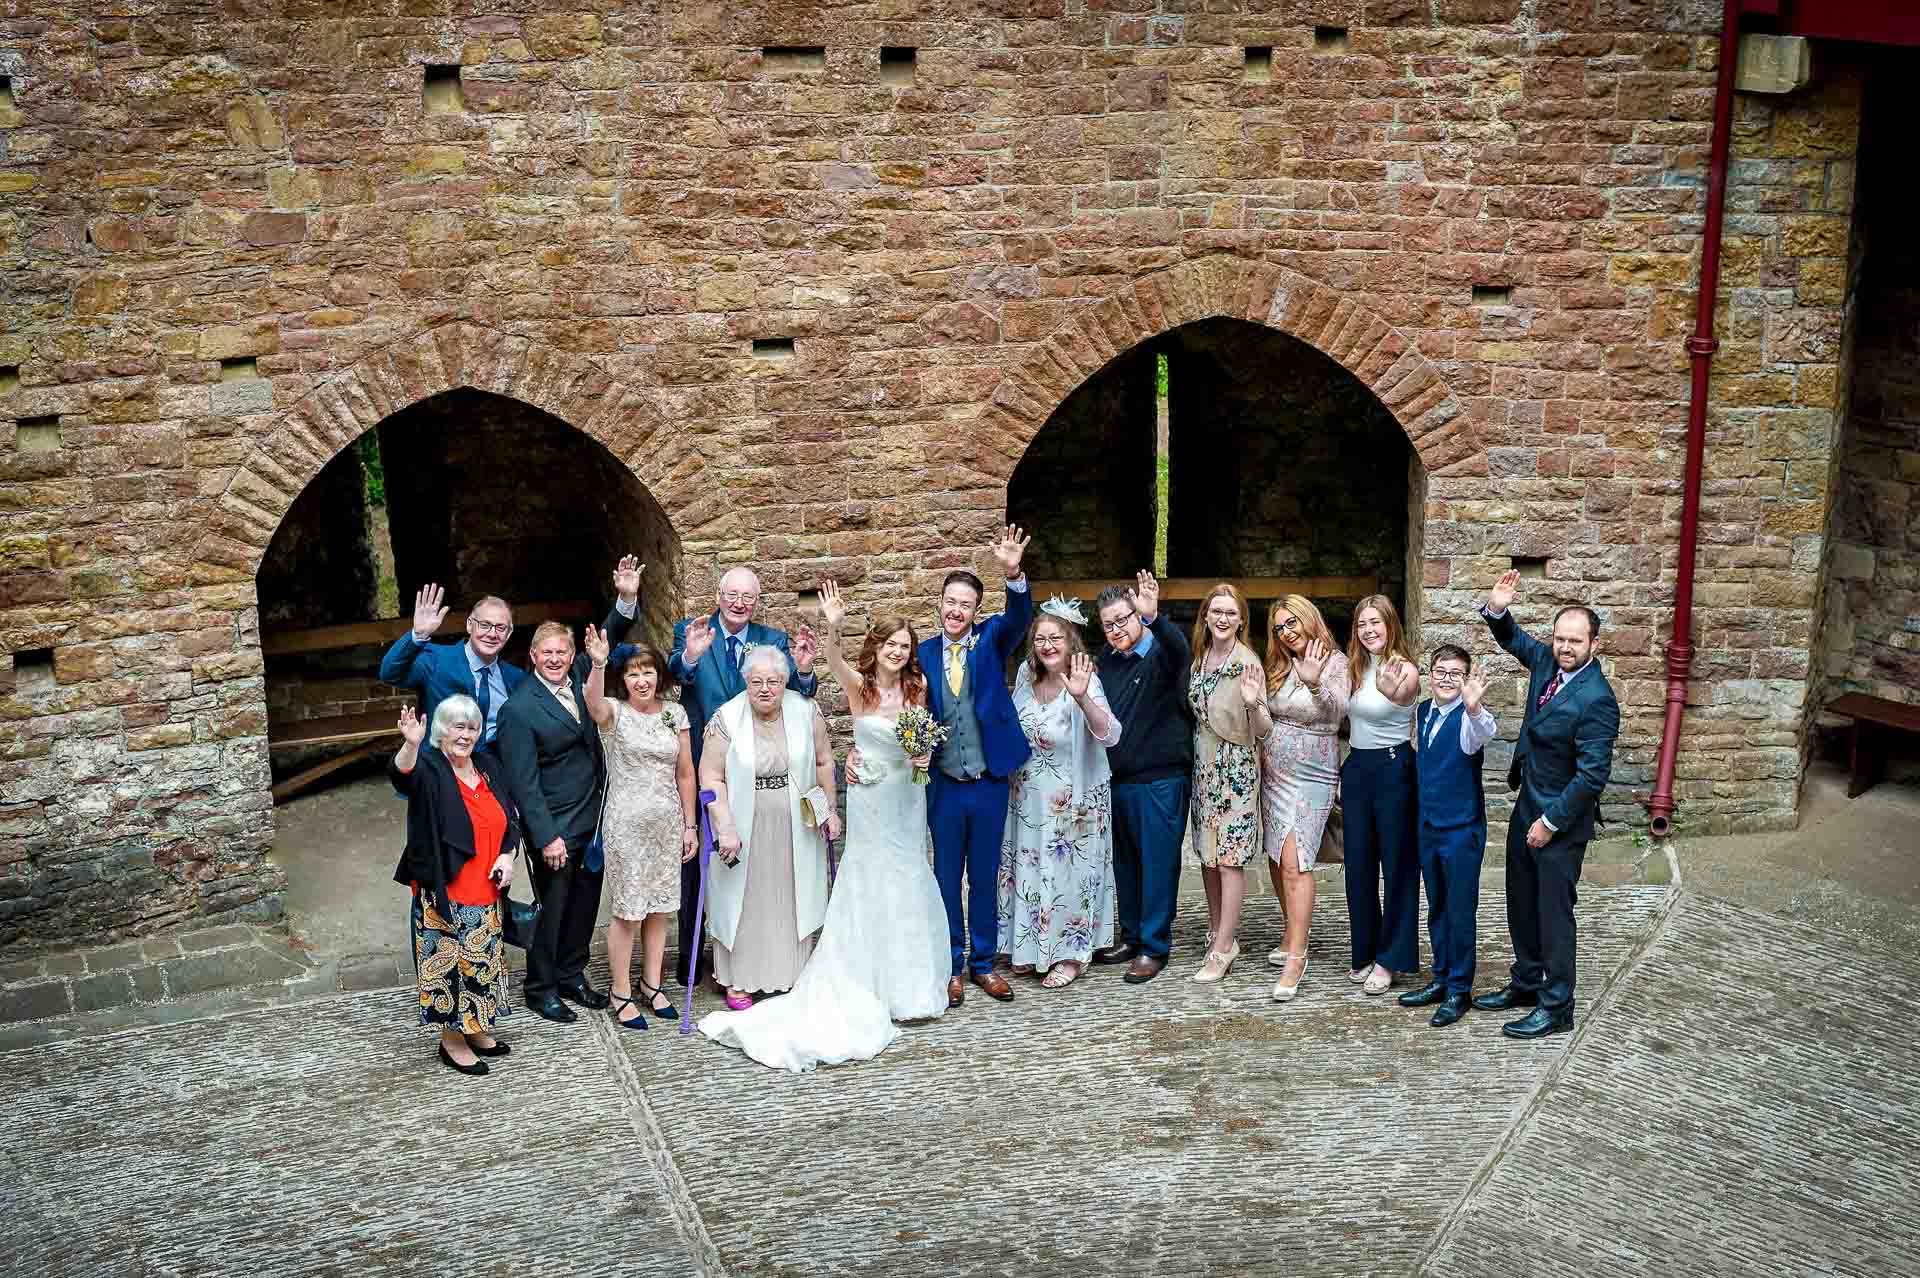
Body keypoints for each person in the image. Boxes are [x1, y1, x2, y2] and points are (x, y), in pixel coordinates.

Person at [700, 585, 949, 1071]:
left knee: (910, 875)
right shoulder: (861, 686)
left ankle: (911, 981)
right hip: (873, 798)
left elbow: (923, 738)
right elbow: (830, 658)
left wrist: (925, 756)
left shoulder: (917, 688)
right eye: (890, 644)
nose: (898, 652)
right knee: (869, 876)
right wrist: (833, 625)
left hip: (907, 795)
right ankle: (865, 977)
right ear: (876, 647)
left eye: (905, 645)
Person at [1471, 570, 1620, 1039]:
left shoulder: (1598, 699)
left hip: (1559, 820)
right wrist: (1497, 607)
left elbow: (1591, 776)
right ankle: (1526, 982)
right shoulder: (1545, 664)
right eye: (1559, 638)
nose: (1565, 647)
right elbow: (1511, 637)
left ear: (1593, 644)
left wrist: (1551, 822)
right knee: (1520, 902)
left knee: (1554, 913)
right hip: (1526, 804)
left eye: (1575, 641)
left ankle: (1557, 1006)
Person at [667, 566, 819, 987]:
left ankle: (757, 952)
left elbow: (797, 692)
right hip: (708, 762)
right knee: (698, 861)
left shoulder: (772, 639)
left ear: (757, 600)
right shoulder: (691, 630)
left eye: (747, 596)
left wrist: (805, 671)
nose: (738, 603)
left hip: (760, 764)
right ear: (718, 594)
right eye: (731, 594)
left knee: (757, 869)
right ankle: (692, 952)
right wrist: (692, 656)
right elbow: (677, 675)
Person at [497, 615, 634, 1025]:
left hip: (591, 820)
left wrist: (625, 603)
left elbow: (607, 637)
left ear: (571, 656)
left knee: (584, 904)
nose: (555, 659)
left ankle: (571, 973)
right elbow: (523, 783)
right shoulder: (518, 709)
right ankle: (540, 988)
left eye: (563, 652)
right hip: (555, 826)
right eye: (548, 653)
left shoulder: (579, 679)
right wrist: (545, 836)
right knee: (553, 908)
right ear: (534, 656)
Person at [917, 525, 1034, 1008]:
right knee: (947, 875)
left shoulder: (991, 639)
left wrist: (1013, 573)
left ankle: (983, 964)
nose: (955, 610)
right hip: (943, 784)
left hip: (987, 781)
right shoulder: (921, 652)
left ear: (975, 610)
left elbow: (1019, 616)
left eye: (965, 604)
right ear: (940, 603)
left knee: (984, 875)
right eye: (950, 601)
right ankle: (951, 965)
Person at [697, 646, 840, 1009]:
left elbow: (824, 763)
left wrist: (831, 810)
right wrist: (724, 824)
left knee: (791, 897)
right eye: (757, 681)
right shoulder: (726, 718)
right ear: (745, 681)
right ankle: (740, 980)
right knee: (746, 900)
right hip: (743, 823)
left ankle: (792, 974)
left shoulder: (806, 711)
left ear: (785, 681)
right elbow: (710, 776)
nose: (765, 689)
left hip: (797, 823)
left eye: (773, 681)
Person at [378, 556, 643, 747]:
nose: (492, 633)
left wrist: (626, 602)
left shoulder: (515, 679)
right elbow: (390, 672)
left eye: (500, 628)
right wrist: (419, 635)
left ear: (509, 633)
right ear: (469, 624)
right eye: (484, 625)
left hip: (497, 769)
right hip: (443, 771)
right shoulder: (436, 659)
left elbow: (588, 655)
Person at [388, 696, 519, 1077]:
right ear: (441, 731)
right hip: (447, 890)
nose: (465, 735)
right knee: (450, 967)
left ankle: (475, 1028)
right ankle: (452, 1041)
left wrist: (507, 855)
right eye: (457, 727)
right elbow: (401, 777)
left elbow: (510, 818)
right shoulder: (430, 767)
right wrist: (411, 743)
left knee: (483, 963)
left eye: (472, 727)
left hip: (487, 889)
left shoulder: (488, 765)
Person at [997, 597, 1121, 990]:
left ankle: (1070, 954)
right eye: (1039, 639)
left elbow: (1111, 735)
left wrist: (1083, 698)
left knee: (1069, 875)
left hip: (1073, 798)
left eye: (1055, 638)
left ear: (1070, 642)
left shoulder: (1085, 680)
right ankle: (1031, 947)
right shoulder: (1024, 677)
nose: (1047, 645)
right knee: (1032, 873)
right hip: (1028, 798)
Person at [581, 630, 697, 1031]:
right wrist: (598, 662)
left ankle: (651, 983)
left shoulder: (675, 714)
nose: (641, 681)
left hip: (666, 824)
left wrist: (690, 825)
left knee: (662, 907)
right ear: (624, 680)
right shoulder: (614, 712)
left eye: (648, 672)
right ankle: (620, 991)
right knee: (629, 910)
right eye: (633, 674)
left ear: (659, 676)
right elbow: (592, 703)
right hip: (626, 825)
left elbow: (685, 773)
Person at [1091, 570, 1193, 986]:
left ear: (1137, 615)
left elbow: (1180, 650)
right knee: (1127, 864)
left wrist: (1156, 618)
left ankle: (1154, 946)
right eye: (1109, 623)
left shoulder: (1164, 654)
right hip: (1118, 778)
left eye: (1123, 619)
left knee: (1157, 863)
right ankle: (1131, 935)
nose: (1117, 629)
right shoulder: (1106, 662)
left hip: (1161, 779)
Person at [1398, 647, 1496, 1028]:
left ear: (1467, 679)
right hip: (1429, 825)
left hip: (1461, 829)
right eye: (1440, 671)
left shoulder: (1471, 719)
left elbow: (1483, 731)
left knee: (1459, 909)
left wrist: (1473, 707)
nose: (1446, 679)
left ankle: (1459, 988)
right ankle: (1440, 977)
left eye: (1456, 674)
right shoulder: (1423, 711)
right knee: (1436, 906)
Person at [1260, 594, 1350, 1003]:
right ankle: (1290, 929)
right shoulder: (1276, 664)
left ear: (1309, 618)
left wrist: (1314, 682)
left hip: (1312, 774)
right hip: (1274, 774)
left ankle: (1298, 955)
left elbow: (1336, 713)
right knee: (1277, 857)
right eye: (1279, 627)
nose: (1286, 632)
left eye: (1292, 622)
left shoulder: (1335, 661)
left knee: (1297, 861)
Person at [1340, 594, 1423, 996]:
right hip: (1358, 768)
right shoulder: (1355, 667)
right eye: (1361, 624)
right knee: (1357, 867)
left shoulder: (1403, 669)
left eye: (1376, 622)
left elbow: (1406, 696)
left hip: (1394, 768)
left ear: (1391, 625)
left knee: (1397, 865)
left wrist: (1394, 695)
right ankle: (1365, 950)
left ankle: (1392, 958)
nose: (1369, 630)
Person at [1185, 583, 1266, 984]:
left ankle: (1224, 947)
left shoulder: (1247, 662)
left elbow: (1264, 729)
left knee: (1231, 859)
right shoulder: (1201, 658)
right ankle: (1217, 931)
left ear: (1241, 619)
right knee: (1208, 854)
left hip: (1235, 766)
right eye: (1215, 611)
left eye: (1230, 613)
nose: (1222, 618)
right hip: (1203, 765)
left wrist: (1253, 704)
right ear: (1205, 616)